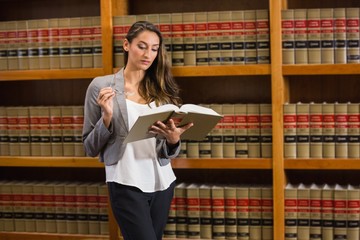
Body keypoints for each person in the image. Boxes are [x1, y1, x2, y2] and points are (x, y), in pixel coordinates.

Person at [82, 21, 193, 240]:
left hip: (162, 182)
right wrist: (106, 118)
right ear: (126, 45)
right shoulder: (101, 86)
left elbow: (165, 149)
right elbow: (89, 147)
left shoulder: (161, 90)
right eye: (141, 46)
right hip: (126, 183)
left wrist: (173, 141)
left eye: (154, 48)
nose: (148, 54)